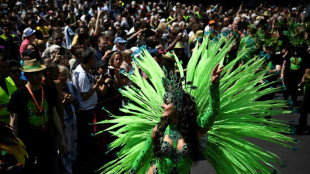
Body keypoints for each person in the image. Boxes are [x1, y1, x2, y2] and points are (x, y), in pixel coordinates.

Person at [99, 36, 295, 174]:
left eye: (166, 103)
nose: (162, 106)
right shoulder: (157, 129)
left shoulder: (194, 130)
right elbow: (142, 157)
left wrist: (213, 86)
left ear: (178, 105)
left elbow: (212, 113)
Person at [8, 59, 66, 174]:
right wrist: (15, 146)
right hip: (27, 143)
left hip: (46, 141)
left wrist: (62, 138)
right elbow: (13, 122)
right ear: (27, 75)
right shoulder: (18, 95)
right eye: (35, 73)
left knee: (48, 169)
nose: (40, 76)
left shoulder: (49, 91)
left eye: (40, 72)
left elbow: (54, 115)